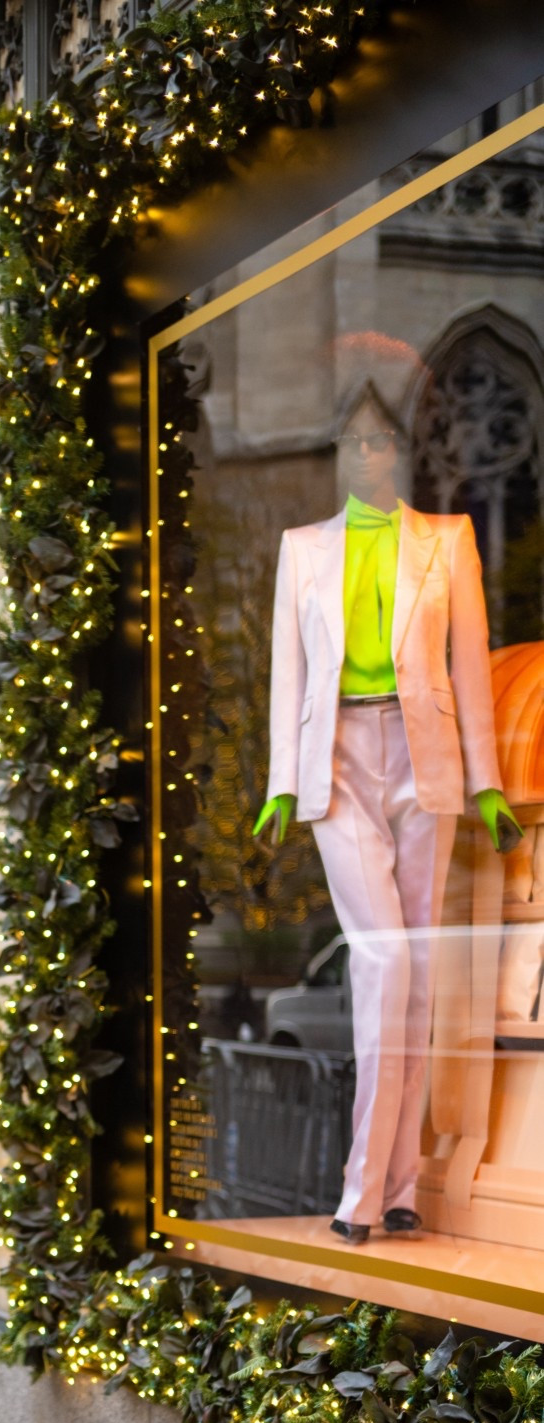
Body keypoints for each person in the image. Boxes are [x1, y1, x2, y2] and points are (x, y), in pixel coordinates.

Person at [255, 405, 517, 1244]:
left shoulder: (448, 539)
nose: (367, 454)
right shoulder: (303, 548)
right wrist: (280, 784)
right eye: (352, 441)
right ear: (335, 454)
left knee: (418, 975)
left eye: (381, 440)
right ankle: (362, 1190)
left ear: (403, 451)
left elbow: (469, 663)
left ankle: (399, 1187)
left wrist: (487, 782)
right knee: (384, 956)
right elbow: (286, 674)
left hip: (423, 755)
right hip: (336, 762)